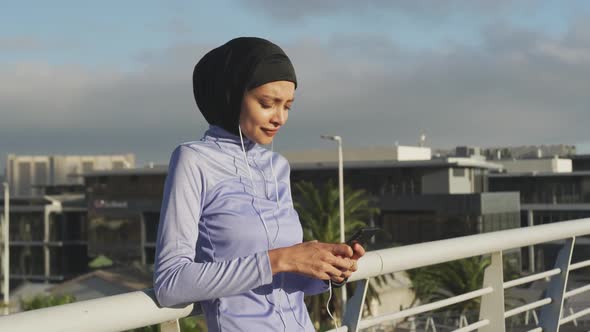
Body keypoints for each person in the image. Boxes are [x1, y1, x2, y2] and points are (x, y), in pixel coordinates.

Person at [153, 37, 365, 331]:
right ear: (231, 96)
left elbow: (288, 280)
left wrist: (327, 269)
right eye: (267, 103)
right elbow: (170, 283)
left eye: (288, 106)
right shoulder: (193, 160)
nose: (279, 118)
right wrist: (281, 259)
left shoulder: (276, 166)